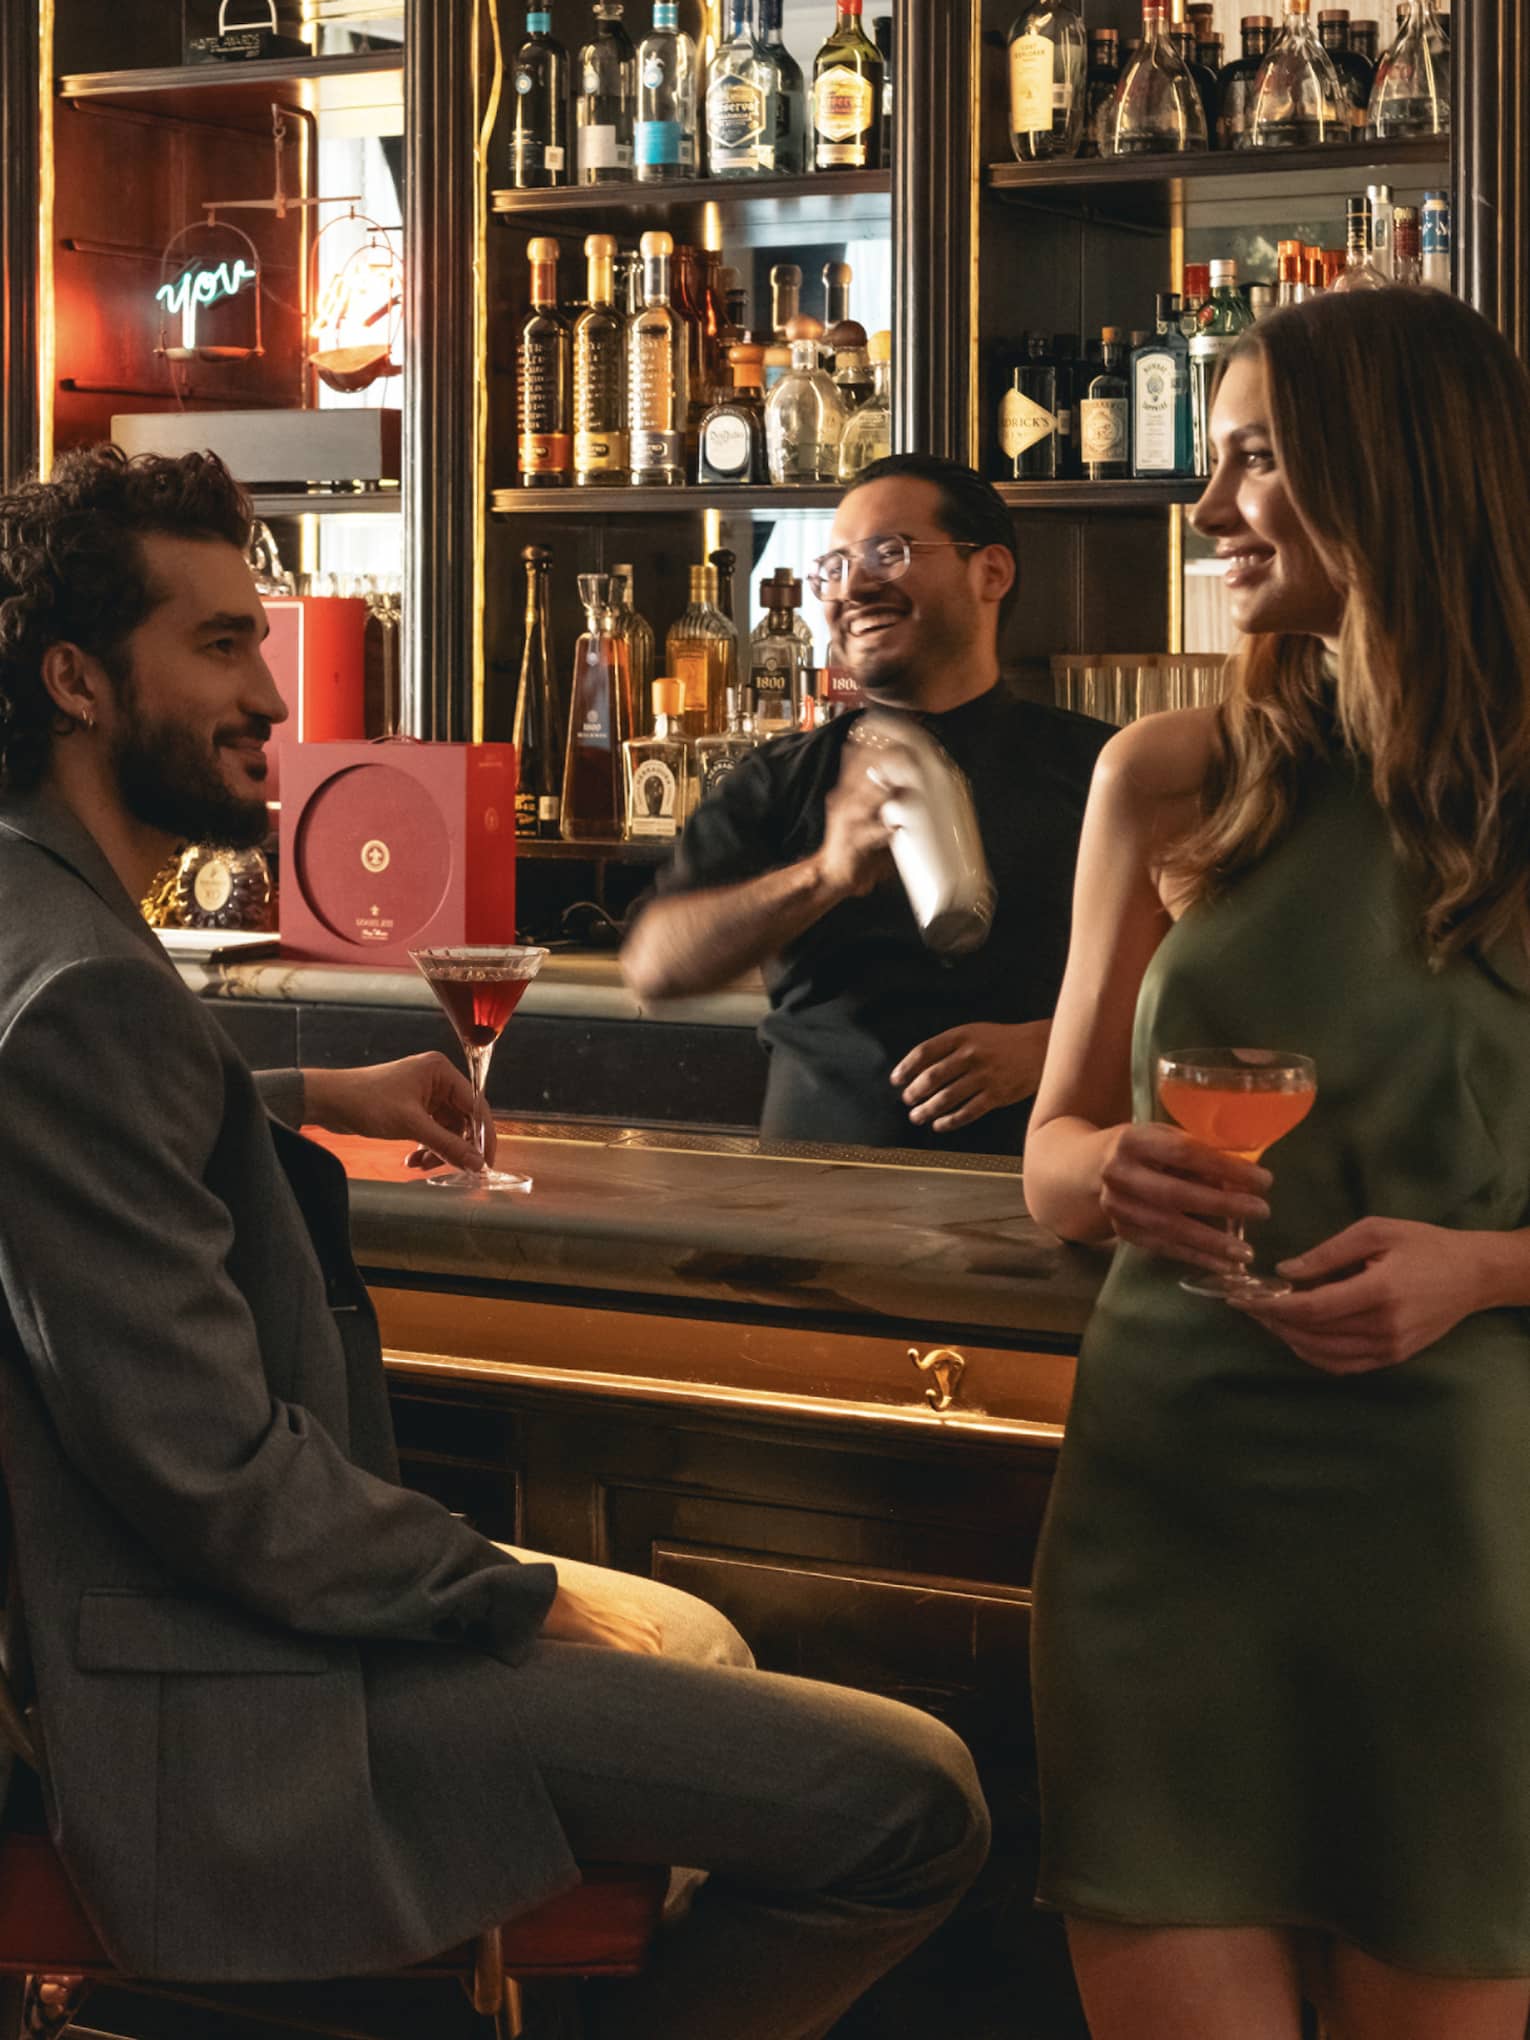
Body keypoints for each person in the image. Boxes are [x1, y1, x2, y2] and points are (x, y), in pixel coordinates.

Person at [0, 444, 990, 2036]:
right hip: (211, 1699)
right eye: (218, 644)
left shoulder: (37, 922)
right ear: (76, 682)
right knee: (913, 1803)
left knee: (709, 1647)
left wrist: (309, 1085)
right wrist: (510, 1596)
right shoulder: (84, 987)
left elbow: (71, 1116)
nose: (271, 690)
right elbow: (217, 1484)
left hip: (179, 1627)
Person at [1024, 286, 1530, 2040]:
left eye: (1252, 457)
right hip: (1167, 1509)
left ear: (1390, 473)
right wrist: (1110, 1178)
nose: (1210, 506)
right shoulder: (1167, 775)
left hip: (1461, 1533)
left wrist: (1484, 1267)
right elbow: (1052, 1146)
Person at [621, 454, 1111, 1156]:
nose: (853, 585)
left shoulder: (1100, 770)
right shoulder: (778, 777)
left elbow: (1201, 996)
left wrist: (1055, 1047)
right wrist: (823, 875)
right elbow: (655, 967)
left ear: (991, 573)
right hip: (813, 1210)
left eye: (891, 551)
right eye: (834, 565)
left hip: (1036, 1203)